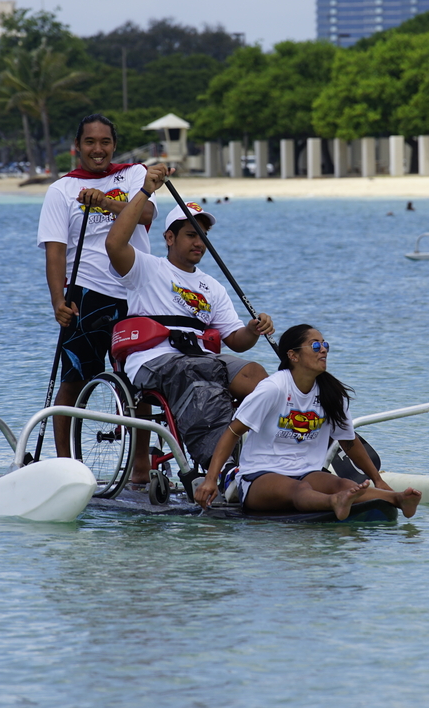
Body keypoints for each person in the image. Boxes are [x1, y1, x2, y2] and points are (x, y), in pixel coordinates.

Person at [105, 165, 275, 470]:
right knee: (200, 378)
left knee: (257, 376)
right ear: (169, 237)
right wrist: (145, 191)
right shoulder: (146, 268)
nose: (199, 242)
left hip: (201, 362)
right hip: (154, 362)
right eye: (190, 235)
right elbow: (114, 244)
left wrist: (253, 329)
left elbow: (236, 341)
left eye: (204, 236)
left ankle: (274, 455)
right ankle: (220, 469)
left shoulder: (213, 286)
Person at [194, 325, 422, 520]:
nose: (323, 350)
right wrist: (210, 480)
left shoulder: (332, 393)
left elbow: (349, 442)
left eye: (325, 345)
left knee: (343, 484)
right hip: (259, 475)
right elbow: (232, 432)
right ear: (293, 356)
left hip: (308, 472)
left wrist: (378, 480)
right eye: (315, 346)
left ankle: (397, 498)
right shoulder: (273, 388)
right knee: (299, 488)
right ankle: (335, 502)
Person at [37, 114, 156, 469]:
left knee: (141, 384)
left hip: (138, 293)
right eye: (90, 142)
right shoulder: (62, 190)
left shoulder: (134, 174)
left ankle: (139, 469)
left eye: (105, 142)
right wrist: (58, 301)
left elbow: (146, 213)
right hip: (86, 295)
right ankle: (66, 467)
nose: (98, 149)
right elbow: (56, 251)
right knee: (75, 382)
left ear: (114, 145)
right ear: (78, 147)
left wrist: (105, 202)